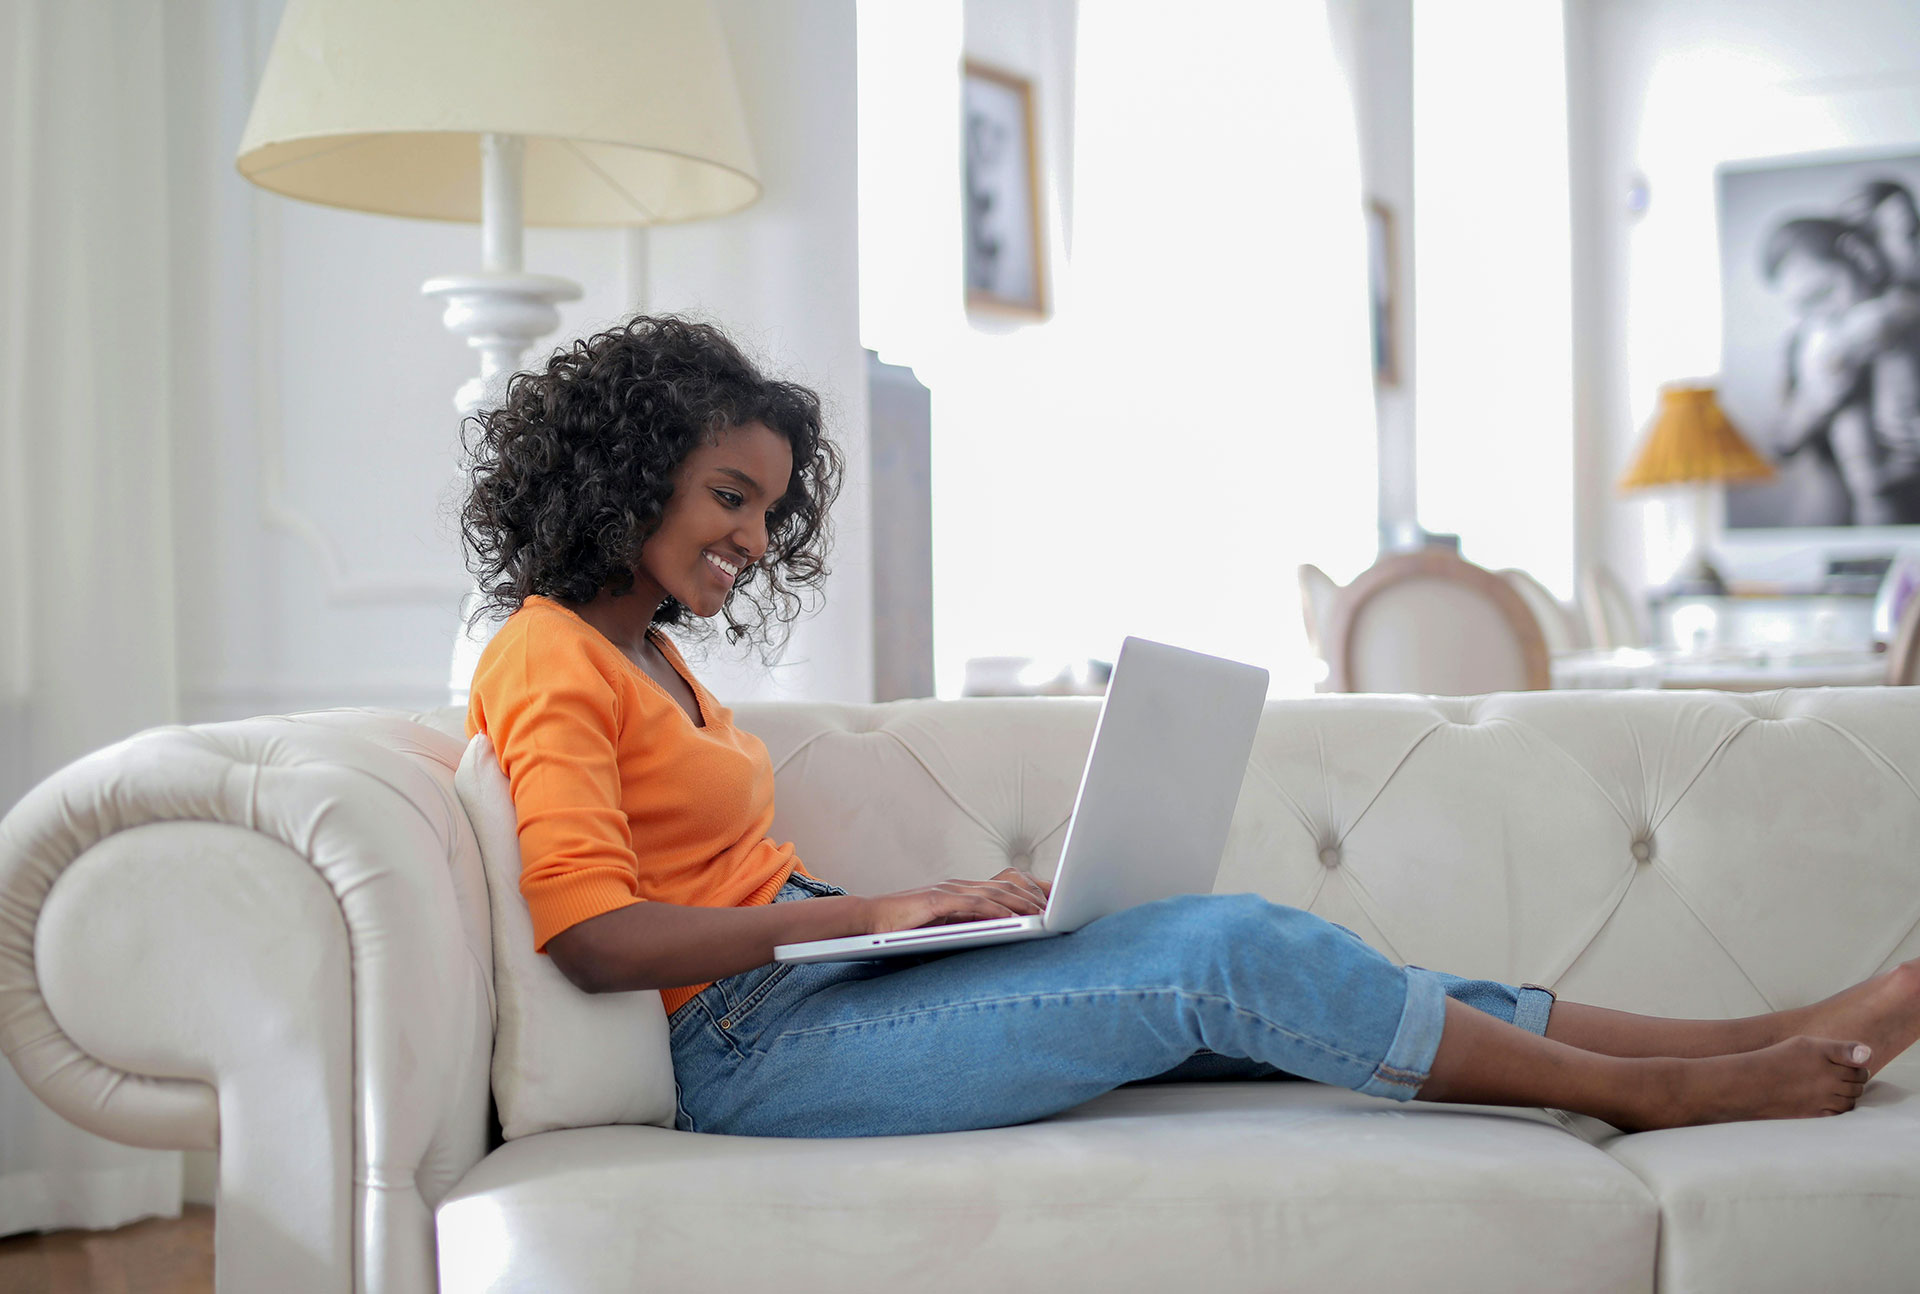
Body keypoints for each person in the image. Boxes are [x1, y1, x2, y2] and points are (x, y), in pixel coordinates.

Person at [461, 314, 1919, 1139]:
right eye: (732, 496)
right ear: (630, 469)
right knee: (1227, 954)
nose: (753, 537)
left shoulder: (649, 655)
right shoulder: (546, 656)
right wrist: (891, 910)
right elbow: (592, 934)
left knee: (1281, 956)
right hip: (744, 1052)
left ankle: (1762, 1031)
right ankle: (1666, 1095)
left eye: (770, 508)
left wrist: (902, 927)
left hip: (813, 984)